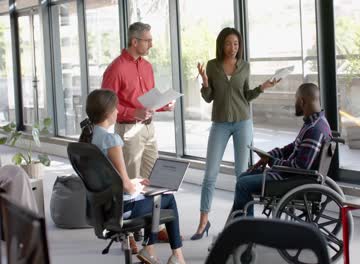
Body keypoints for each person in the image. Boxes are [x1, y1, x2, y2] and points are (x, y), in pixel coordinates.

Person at [192, 27, 279, 240]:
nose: (233, 48)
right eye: (229, 43)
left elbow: (246, 95)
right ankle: (203, 222)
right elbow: (208, 97)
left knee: (242, 175)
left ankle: (242, 221)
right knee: (210, 175)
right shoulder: (212, 66)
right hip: (220, 124)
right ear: (221, 44)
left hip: (243, 123)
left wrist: (263, 87)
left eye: (236, 44)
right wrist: (204, 82)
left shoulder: (245, 67)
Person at [79, 89, 185, 264]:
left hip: (102, 209)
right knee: (167, 198)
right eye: (115, 108)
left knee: (155, 197)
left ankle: (151, 251)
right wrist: (137, 186)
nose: (118, 111)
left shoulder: (89, 138)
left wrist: (134, 182)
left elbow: (112, 178)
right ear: (107, 113)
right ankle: (176, 257)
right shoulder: (111, 140)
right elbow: (126, 187)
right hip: (122, 208)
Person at [101, 21, 174, 250]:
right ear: (135, 41)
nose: (151, 44)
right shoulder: (115, 69)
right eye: (147, 40)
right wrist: (133, 112)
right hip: (128, 129)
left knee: (154, 180)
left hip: (149, 128)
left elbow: (148, 101)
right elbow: (106, 105)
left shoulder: (148, 66)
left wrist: (163, 106)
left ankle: (155, 228)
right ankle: (128, 237)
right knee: (130, 182)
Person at [231, 83, 332, 217]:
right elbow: (292, 147)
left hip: (290, 179)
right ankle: (238, 225)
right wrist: (269, 155)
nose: (294, 103)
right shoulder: (316, 123)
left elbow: (301, 167)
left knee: (243, 184)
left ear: (302, 101)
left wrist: (273, 162)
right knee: (243, 177)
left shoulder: (314, 130)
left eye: (295, 99)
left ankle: (244, 228)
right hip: (291, 175)